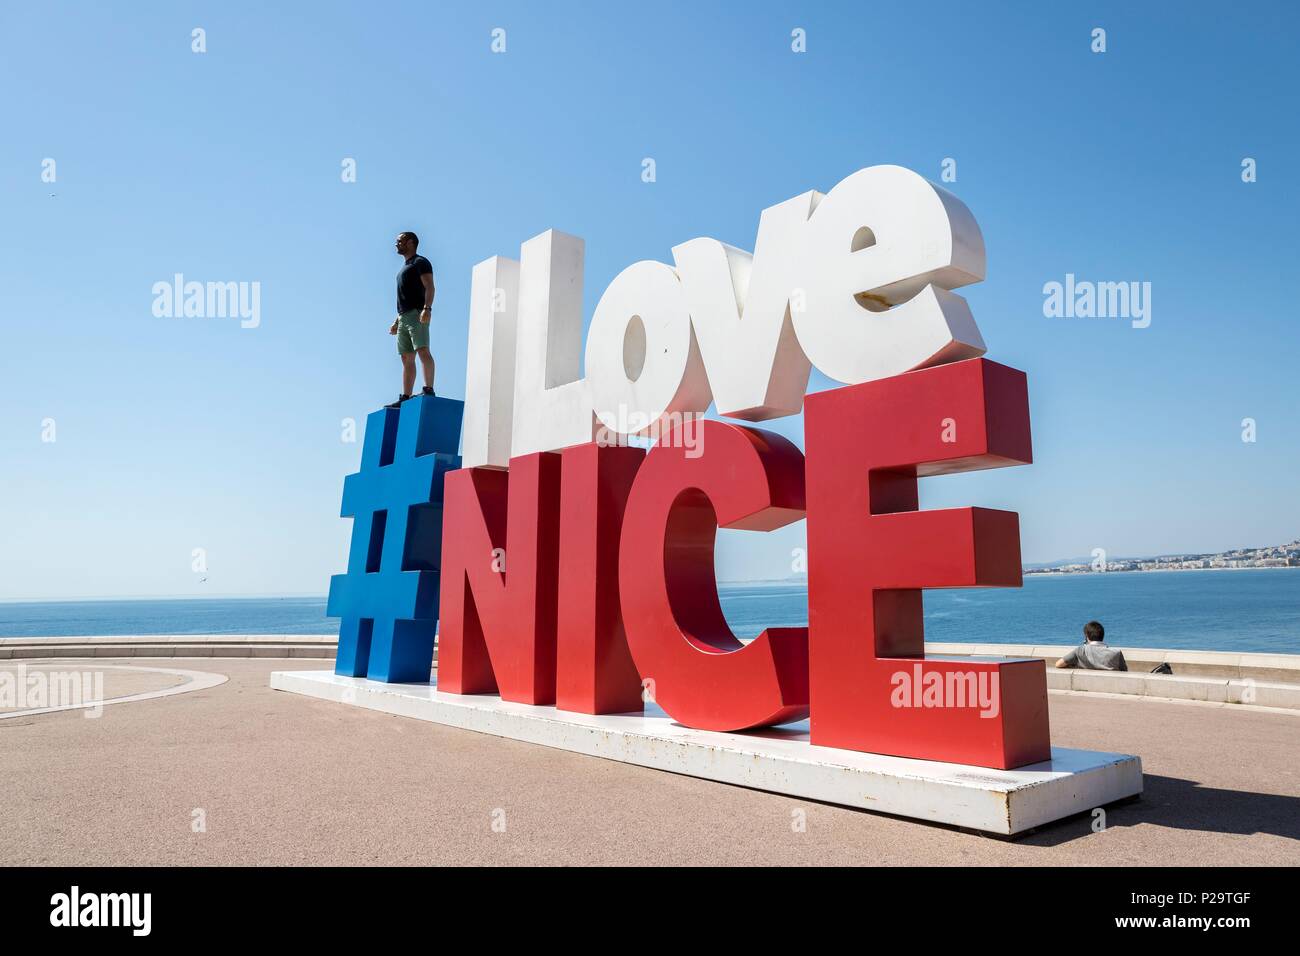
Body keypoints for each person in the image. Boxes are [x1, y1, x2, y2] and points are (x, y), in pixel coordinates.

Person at [386, 231, 436, 408]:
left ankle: (428, 388)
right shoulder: (402, 269)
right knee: (406, 358)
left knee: (422, 350)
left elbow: (429, 286)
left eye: (400, 241)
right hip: (403, 316)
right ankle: (405, 396)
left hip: (417, 314)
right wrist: (397, 321)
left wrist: (427, 309)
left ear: (411, 242)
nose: (396, 244)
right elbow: (404, 298)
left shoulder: (420, 262)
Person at [1055, 620, 1127, 671]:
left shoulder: (1080, 651)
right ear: (1102, 636)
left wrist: (1075, 665)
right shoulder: (1117, 653)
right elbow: (1124, 671)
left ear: (1087, 637)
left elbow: (1058, 664)